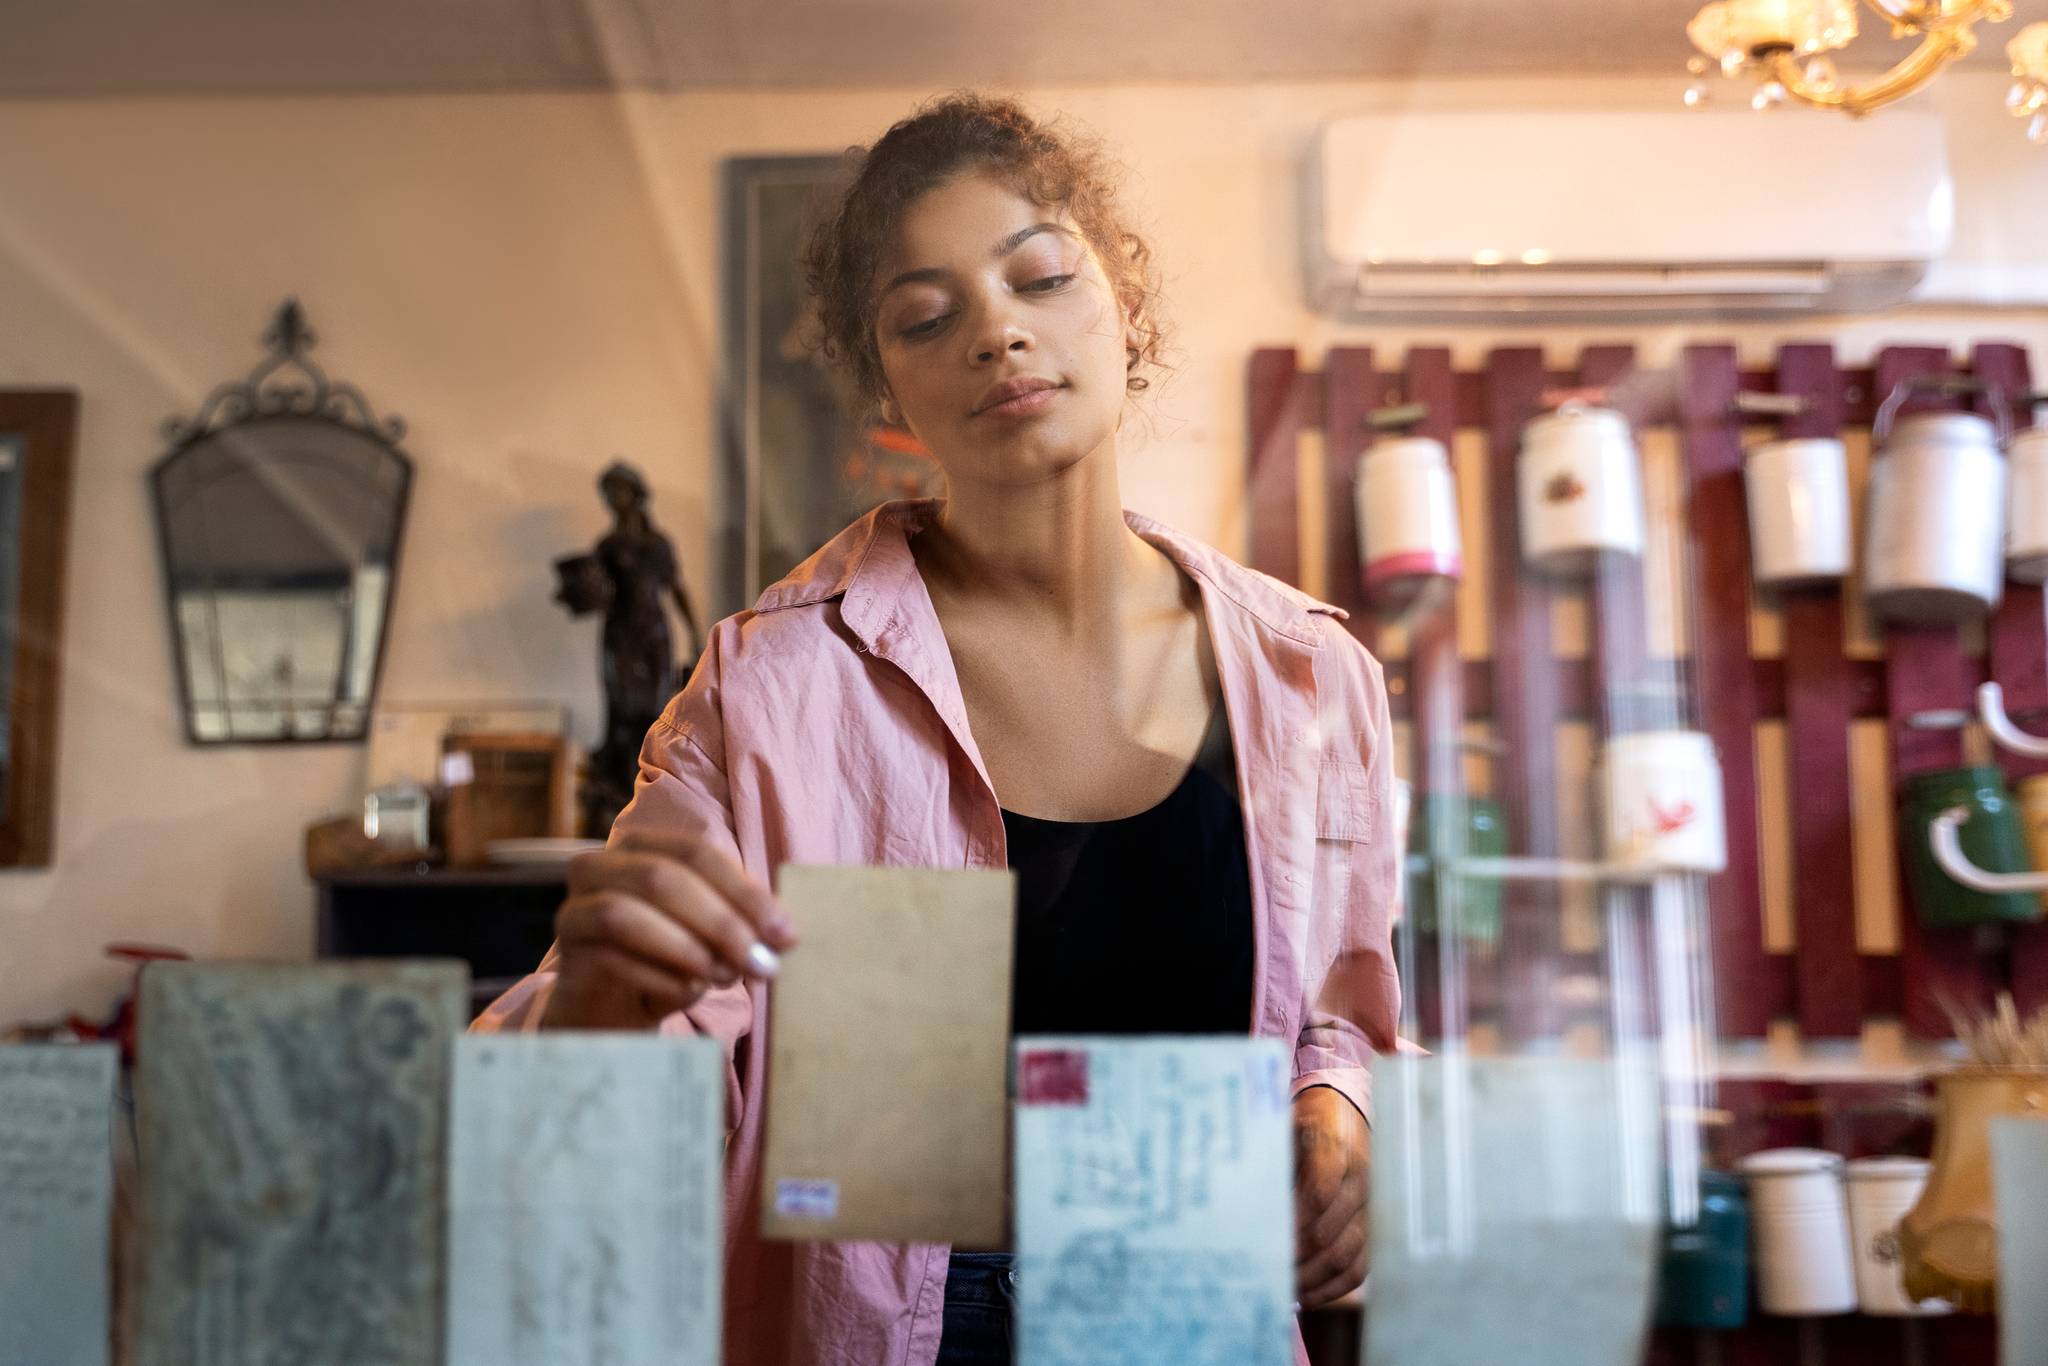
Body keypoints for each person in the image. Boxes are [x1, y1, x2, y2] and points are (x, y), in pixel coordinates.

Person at [476, 93, 1400, 1366]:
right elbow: (624, 1082)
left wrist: (1334, 1111)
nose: (996, 332)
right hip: (890, 1328)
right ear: (886, 384)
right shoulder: (767, 685)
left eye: (1041, 276)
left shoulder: (1309, 675)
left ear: (1123, 297)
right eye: (925, 315)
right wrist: (595, 1002)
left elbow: (1339, 1007)